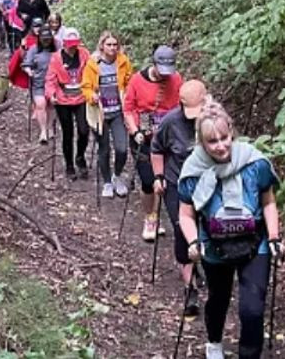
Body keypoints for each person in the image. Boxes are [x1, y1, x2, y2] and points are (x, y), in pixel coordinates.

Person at [178, 104, 282, 359]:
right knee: (218, 299)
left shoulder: (255, 163)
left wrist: (274, 237)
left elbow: (268, 202)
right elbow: (186, 213)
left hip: (254, 243)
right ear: (201, 142)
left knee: (253, 310)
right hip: (214, 247)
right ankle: (214, 342)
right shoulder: (193, 170)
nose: (221, 146)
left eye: (224, 138)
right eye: (212, 141)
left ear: (232, 133)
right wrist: (193, 242)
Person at [151, 79, 211, 316]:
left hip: (207, 184)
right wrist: (158, 176)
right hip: (177, 182)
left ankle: (205, 267)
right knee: (181, 230)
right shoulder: (170, 122)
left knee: (206, 228)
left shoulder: (214, 120)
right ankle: (190, 288)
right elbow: (157, 149)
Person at [123, 45, 183, 242]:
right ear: (154, 64)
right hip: (144, 137)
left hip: (168, 137)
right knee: (148, 180)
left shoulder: (176, 79)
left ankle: (162, 216)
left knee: (167, 178)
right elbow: (129, 108)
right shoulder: (137, 81)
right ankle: (150, 216)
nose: (166, 75)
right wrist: (135, 130)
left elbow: (182, 106)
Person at [82, 31, 134, 198]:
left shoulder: (123, 62)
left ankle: (117, 176)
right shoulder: (93, 64)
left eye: (114, 45)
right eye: (109, 44)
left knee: (121, 149)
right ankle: (107, 182)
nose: (112, 48)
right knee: (104, 149)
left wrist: (128, 95)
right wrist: (92, 96)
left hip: (119, 112)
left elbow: (130, 82)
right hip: (100, 113)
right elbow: (86, 87)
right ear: (102, 46)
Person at [46, 27, 90, 180]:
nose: (73, 46)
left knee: (84, 130)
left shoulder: (84, 54)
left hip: (81, 97)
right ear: (64, 43)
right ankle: (69, 164)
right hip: (63, 99)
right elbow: (50, 79)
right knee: (68, 133)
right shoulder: (56, 58)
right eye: (70, 43)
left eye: (75, 43)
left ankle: (80, 156)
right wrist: (51, 95)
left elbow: (91, 73)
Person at [21, 26, 56, 145]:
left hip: (53, 83)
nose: (46, 41)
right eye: (44, 39)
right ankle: (43, 131)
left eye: (48, 39)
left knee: (51, 106)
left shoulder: (56, 50)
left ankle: (50, 126)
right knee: (41, 104)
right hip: (38, 82)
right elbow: (26, 64)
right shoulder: (34, 49)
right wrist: (29, 71)